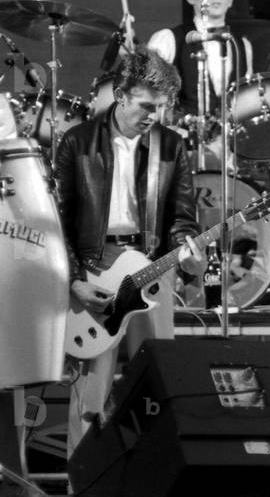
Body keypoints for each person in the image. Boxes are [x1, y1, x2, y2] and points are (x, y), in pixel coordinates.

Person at [56, 50, 205, 460]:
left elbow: (182, 218)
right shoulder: (77, 141)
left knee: (156, 384)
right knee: (90, 393)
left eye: (160, 108)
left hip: (153, 266)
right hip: (97, 267)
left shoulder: (171, 146)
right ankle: (80, 484)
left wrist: (189, 253)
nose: (154, 116)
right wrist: (74, 281)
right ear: (120, 94)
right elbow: (61, 222)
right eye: (145, 106)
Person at [147, 0, 254, 167]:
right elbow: (147, 99)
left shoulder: (242, 45)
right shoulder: (168, 39)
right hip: (178, 150)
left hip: (226, 154)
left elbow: (243, 103)